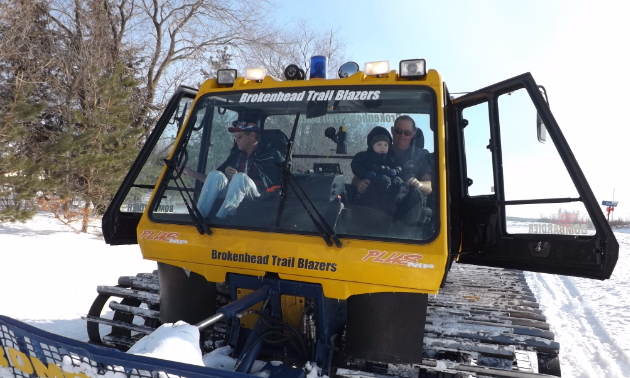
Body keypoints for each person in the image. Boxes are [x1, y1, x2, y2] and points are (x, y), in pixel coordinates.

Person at [184, 121, 284, 219]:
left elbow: (274, 186)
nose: (236, 140)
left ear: (252, 135)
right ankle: (198, 217)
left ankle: (224, 218)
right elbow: (215, 182)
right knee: (215, 174)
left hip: (260, 195)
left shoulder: (270, 155)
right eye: (235, 137)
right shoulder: (237, 156)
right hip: (236, 194)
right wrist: (194, 174)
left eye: (239, 136)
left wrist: (238, 177)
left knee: (239, 177)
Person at [353, 115, 432, 228]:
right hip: (375, 209)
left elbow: (429, 186)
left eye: (407, 133)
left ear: (413, 134)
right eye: (398, 131)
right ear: (392, 130)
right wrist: (358, 183)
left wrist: (419, 184)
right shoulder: (379, 149)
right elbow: (357, 175)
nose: (401, 135)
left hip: (406, 216)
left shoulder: (421, 155)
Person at [350, 126, 409, 214]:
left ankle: (399, 196)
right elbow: (356, 165)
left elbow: (399, 165)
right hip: (373, 178)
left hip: (390, 177)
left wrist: (395, 170)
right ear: (371, 144)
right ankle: (360, 198)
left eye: (385, 145)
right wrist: (365, 173)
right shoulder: (364, 156)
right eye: (379, 144)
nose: (382, 147)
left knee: (398, 181)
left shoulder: (391, 158)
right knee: (382, 181)